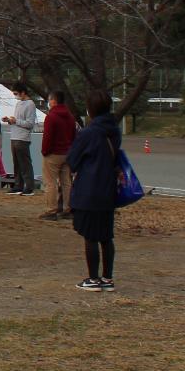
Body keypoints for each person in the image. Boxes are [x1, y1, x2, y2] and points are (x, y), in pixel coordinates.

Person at [66, 92, 123, 290]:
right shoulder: (114, 131)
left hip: (88, 188)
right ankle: (107, 278)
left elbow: (72, 160)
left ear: (91, 110)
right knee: (106, 235)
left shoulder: (89, 133)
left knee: (90, 235)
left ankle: (93, 279)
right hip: (108, 188)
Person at [39, 90, 76, 220]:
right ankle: (68, 208)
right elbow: (73, 135)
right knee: (66, 182)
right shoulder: (70, 117)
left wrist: (45, 151)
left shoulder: (51, 117)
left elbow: (47, 137)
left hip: (53, 154)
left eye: (49, 100)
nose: (49, 103)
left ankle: (51, 210)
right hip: (67, 153)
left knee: (50, 182)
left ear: (53, 101)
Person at [5, 88, 39, 195]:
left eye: (16, 93)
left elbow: (29, 124)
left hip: (23, 137)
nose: (15, 95)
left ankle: (29, 187)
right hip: (14, 136)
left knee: (25, 163)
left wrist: (16, 121)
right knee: (16, 163)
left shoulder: (30, 104)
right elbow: (17, 121)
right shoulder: (19, 104)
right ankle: (18, 185)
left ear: (23, 92)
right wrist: (10, 121)